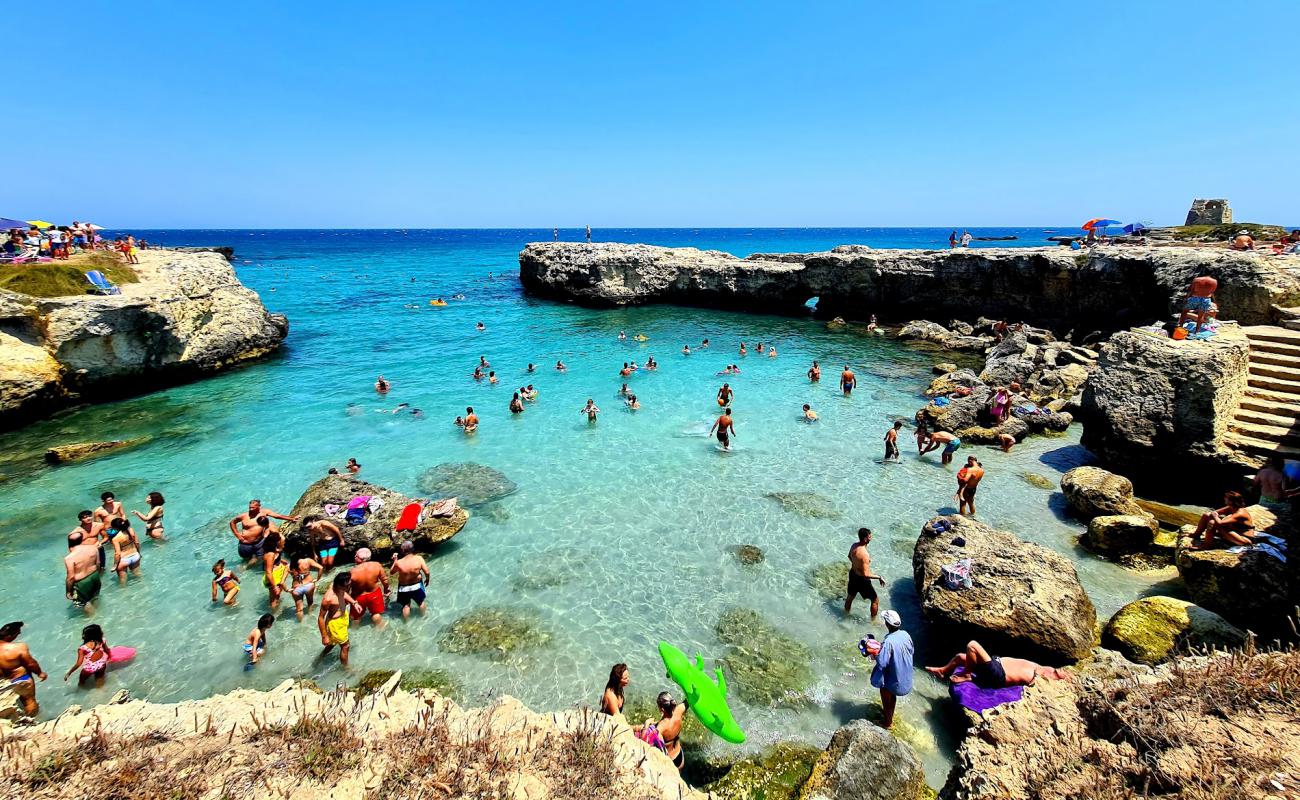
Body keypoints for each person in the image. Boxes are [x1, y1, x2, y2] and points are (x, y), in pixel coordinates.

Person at [926, 640, 1068, 688]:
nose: (1065, 670)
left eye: (1066, 673)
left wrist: (1037, 675)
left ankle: (967, 674)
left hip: (998, 674)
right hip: (996, 665)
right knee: (960, 657)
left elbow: (1033, 686)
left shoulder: (1048, 680)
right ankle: (943, 671)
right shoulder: (1050, 669)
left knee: (972, 646)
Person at [868, 610, 913, 728]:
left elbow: (882, 663)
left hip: (895, 681)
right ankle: (890, 716)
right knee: (892, 697)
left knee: (885, 693)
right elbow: (911, 651)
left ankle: (888, 723)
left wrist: (874, 652)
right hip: (905, 677)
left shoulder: (888, 641)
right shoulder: (905, 634)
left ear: (887, 624)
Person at [0, 621, 45, 718]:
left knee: (17, 702)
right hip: (21, 680)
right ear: (9, 636)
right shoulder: (18, 647)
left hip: (4, 683)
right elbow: (31, 663)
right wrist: (40, 673)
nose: (19, 635)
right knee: (29, 701)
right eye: (17, 633)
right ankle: (32, 722)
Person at [230, 500, 296, 559]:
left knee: (259, 559)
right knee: (245, 559)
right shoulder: (244, 516)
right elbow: (232, 522)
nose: (251, 509)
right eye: (250, 507)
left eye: (253, 507)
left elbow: (277, 516)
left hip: (259, 543)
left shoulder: (264, 512)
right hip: (245, 543)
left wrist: (291, 519)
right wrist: (237, 535)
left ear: (259, 506)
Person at [1191, 491, 1256, 548]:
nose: (1224, 499)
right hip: (1234, 533)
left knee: (1213, 523)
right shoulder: (1231, 507)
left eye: (1226, 498)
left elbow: (1220, 523)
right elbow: (1213, 513)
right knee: (1206, 515)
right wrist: (1213, 516)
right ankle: (1196, 534)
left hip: (1244, 539)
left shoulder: (1239, 513)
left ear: (1231, 501)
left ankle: (1206, 545)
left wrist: (1215, 517)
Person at [845, 528, 885, 618]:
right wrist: (879, 577)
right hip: (862, 580)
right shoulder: (864, 554)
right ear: (865, 539)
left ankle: (845, 615)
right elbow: (866, 574)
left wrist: (857, 566)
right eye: (870, 537)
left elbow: (849, 556)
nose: (871, 538)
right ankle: (873, 621)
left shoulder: (854, 545)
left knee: (850, 597)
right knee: (875, 600)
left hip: (852, 574)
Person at [349, 549, 389, 627]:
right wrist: (386, 589)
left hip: (359, 596)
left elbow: (347, 587)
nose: (354, 556)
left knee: (356, 617)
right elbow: (385, 580)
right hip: (374, 594)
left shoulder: (352, 572)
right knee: (376, 614)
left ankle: (354, 633)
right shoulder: (376, 565)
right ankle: (380, 630)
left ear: (362, 559)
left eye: (356, 556)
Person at [391, 541, 430, 618]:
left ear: (402, 551)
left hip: (403, 588)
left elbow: (392, 572)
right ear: (413, 549)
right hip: (417, 586)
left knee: (406, 606)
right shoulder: (419, 558)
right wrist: (427, 579)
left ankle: (406, 623)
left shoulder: (399, 562)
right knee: (420, 602)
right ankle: (424, 618)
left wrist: (395, 560)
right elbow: (427, 572)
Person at [65, 624, 111, 688]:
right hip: (101, 665)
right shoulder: (102, 640)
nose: (82, 635)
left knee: (81, 683)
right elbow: (107, 650)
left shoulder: (82, 648)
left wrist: (69, 673)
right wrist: (110, 657)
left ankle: (80, 694)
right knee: (100, 682)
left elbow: (78, 664)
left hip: (89, 669)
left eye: (84, 634)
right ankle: (100, 694)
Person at [650, 692, 688, 770]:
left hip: (671, 761)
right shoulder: (679, 711)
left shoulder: (659, 729)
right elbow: (689, 700)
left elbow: (659, 749)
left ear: (662, 709)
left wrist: (647, 726)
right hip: (680, 756)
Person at [65, 532, 101, 611]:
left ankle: (93, 619)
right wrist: (97, 575)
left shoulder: (69, 558)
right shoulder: (93, 548)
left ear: (69, 543)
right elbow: (98, 563)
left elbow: (70, 577)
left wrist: (68, 592)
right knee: (95, 597)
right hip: (95, 576)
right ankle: (99, 614)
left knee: (85, 603)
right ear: (82, 539)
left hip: (82, 582)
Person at [70, 510, 107, 574]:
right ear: (80, 520)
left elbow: (106, 537)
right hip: (86, 553)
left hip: (98, 549)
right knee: (89, 571)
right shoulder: (76, 532)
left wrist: (100, 543)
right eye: (85, 517)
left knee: (102, 568)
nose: (88, 518)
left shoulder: (99, 525)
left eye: (90, 516)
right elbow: (72, 548)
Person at [108, 518, 142, 586]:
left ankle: (125, 595)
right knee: (138, 576)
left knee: (123, 583)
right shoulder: (131, 530)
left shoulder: (115, 538)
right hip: (135, 555)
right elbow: (137, 543)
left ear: (115, 528)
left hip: (123, 559)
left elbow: (117, 553)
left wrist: (115, 565)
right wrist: (139, 553)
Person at [290, 554, 324, 620]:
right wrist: (318, 579)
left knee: (299, 609)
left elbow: (282, 582)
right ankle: (310, 616)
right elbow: (321, 567)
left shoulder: (290, 565)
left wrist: (286, 589)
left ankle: (300, 625)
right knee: (310, 603)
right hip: (309, 586)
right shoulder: (307, 560)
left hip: (296, 588)